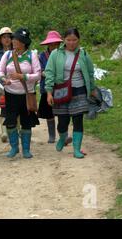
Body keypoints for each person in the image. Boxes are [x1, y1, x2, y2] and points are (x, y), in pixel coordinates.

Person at [45, 28, 96, 159]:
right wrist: (49, 92)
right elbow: (49, 73)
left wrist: (92, 89)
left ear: (78, 40)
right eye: (68, 40)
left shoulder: (83, 54)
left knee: (78, 120)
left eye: (74, 40)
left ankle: (77, 149)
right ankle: (62, 138)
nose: (72, 43)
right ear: (64, 40)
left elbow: (90, 73)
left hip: (79, 90)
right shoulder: (56, 54)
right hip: (61, 91)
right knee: (63, 122)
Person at [0, 28, 41, 159]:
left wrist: (23, 76)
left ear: (24, 42)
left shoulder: (32, 55)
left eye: (16, 39)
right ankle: (14, 147)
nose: (13, 41)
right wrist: (4, 79)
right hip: (11, 94)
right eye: (13, 39)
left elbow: (38, 74)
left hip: (27, 94)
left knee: (26, 122)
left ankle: (26, 149)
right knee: (10, 122)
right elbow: (0, 71)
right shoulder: (8, 55)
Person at [38, 30, 71, 144]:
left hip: (61, 87)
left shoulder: (64, 54)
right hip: (47, 87)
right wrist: (51, 74)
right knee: (49, 113)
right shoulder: (42, 56)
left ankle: (64, 135)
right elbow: (40, 71)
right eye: (51, 44)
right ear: (48, 45)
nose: (53, 46)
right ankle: (52, 135)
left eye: (55, 44)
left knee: (63, 112)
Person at [0, 27, 13, 143]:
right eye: (4, 37)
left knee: (17, 107)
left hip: (16, 83)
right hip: (2, 85)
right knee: (4, 107)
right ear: (0, 39)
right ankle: (4, 132)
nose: (6, 39)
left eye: (9, 37)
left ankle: (16, 129)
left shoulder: (17, 52)